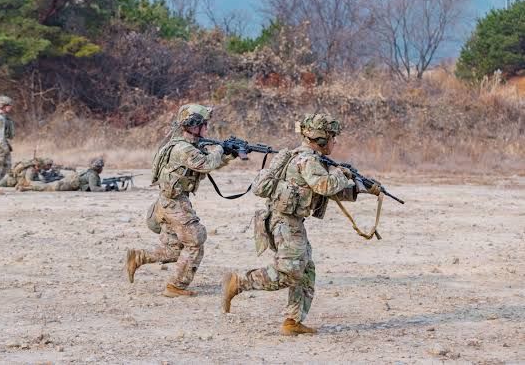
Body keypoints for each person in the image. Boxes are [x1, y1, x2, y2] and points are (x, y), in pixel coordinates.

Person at [220, 113, 381, 335]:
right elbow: (325, 185)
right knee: (289, 272)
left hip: (290, 222)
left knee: (305, 270)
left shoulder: (311, 159)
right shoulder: (308, 160)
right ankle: (239, 282)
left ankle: (293, 321)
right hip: (284, 222)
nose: (335, 142)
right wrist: (343, 174)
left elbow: (323, 192)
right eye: (332, 137)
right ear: (321, 139)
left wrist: (361, 189)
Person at [125, 104, 236, 297]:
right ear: (194, 126)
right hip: (175, 204)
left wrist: (229, 155)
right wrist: (220, 149)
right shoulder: (183, 148)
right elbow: (206, 163)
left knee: (173, 250)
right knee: (195, 241)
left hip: (169, 202)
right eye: (204, 124)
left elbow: (206, 164)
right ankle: (175, 287)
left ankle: (139, 257)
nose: (207, 128)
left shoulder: (187, 145)